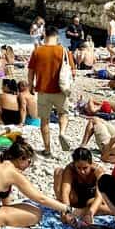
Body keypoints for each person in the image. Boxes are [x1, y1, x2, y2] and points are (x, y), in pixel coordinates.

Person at [0, 137, 73, 228]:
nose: (29, 165)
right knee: (35, 214)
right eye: (29, 161)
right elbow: (40, 198)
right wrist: (65, 208)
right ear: (21, 159)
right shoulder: (13, 173)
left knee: (20, 206)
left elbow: (4, 197)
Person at [28, 26, 73, 155]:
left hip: (43, 91)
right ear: (57, 36)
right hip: (61, 90)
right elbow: (72, 71)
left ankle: (47, 149)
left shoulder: (37, 51)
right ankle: (62, 132)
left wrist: (31, 85)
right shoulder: (64, 51)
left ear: (44, 34)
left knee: (44, 120)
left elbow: (31, 71)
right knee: (63, 114)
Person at [53, 148, 104, 224]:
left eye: (85, 168)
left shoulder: (97, 171)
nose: (82, 171)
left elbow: (99, 196)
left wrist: (90, 213)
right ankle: (62, 207)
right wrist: (67, 210)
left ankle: (82, 211)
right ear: (74, 164)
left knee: (99, 204)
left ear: (91, 163)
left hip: (89, 199)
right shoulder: (70, 169)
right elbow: (66, 191)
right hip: (75, 198)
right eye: (79, 168)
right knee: (58, 171)